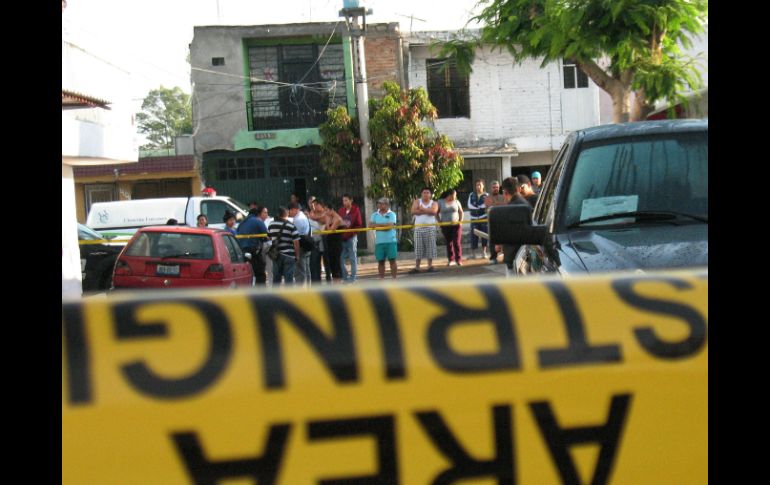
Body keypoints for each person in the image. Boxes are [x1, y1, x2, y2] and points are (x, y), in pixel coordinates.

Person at [496, 177, 531, 277]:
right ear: (518, 189)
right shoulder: (526, 204)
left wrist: (499, 243)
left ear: (505, 192)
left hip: (514, 258)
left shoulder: (509, 208)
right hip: (526, 255)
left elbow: (505, 234)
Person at [268, 206, 300, 286]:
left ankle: (276, 293)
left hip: (276, 255)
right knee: (289, 278)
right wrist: (297, 255)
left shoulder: (271, 224)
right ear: (287, 214)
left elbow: (269, 237)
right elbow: (296, 242)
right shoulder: (291, 226)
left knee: (276, 278)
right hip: (289, 255)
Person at [409, 187, 439, 274]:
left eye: (427, 192)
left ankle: (430, 266)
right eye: (424, 192)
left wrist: (422, 209)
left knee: (430, 247)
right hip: (418, 228)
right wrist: (427, 211)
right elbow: (413, 211)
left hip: (430, 228)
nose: (426, 194)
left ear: (430, 194)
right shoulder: (417, 201)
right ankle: (417, 267)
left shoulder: (434, 203)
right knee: (418, 248)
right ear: (421, 194)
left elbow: (434, 212)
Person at [237, 207, 269, 285]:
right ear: (258, 214)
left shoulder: (241, 223)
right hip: (254, 251)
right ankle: (260, 290)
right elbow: (266, 235)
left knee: (246, 274)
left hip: (242, 252)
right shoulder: (258, 221)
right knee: (260, 272)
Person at [370, 197, 398, 279]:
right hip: (379, 242)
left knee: (392, 260)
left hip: (391, 241)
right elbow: (370, 225)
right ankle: (381, 280)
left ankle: (394, 280)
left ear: (386, 204)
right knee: (380, 261)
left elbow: (389, 227)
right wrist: (384, 225)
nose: (379, 205)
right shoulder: (374, 215)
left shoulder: (392, 214)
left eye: (381, 203)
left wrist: (377, 225)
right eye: (378, 203)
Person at [338, 194, 363, 283]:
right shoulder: (341, 210)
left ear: (351, 200)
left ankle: (353, 278)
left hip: (351, 238)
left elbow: (359, 224)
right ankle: (345, 277)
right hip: (342, 238)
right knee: (341, 258)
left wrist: (352, 233)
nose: (344, 202)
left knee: (352, 258)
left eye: (346, 200)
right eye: (343, 200)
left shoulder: (356, 210)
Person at [318, 200, 344, 283]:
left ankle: (338, 282)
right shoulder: (329, 217)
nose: (325, 212)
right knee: (332, 263)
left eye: (326, 210)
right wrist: (327, 223)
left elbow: (330, 230)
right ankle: (335, 280)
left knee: (336, 264)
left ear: (331, 209)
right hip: (330, 243)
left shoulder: (337, 218)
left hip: (336, 244)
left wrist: (327, 224)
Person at [437, 189, 464, 266]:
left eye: (455, 195)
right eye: (453, 195)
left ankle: (459, 259)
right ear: (449, 195)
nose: (455, 197)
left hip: (456, 225)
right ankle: (451, 259)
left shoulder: (456, 201)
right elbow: (436, 213)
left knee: (457, 242)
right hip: (445, 225)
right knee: (449, 242)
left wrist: (460, 222)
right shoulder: (440, 202)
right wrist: (439, 222)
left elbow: (461, 212)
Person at [288, 202, 311, 286]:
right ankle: (308, 288)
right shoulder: (302, 216)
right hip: (307, 245)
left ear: (294, 209)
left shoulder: (298, 220)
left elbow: (296, 238)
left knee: (300, 270)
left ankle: (301, 289)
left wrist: (296, 252)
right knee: (306, 269)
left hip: (301, 246)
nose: (289, 213)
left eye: (290, 211)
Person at [484, 181, 505, 264]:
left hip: (503, 222)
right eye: (494, 187)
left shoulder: (503, 197)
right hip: (492, 223)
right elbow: (489, 209)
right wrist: (498, 205)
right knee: (493, 241)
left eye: (497, 187)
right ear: (491, 188)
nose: (495, 189)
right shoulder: (487, 198)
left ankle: (506, 257)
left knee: (505, 240)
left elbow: (505, 207)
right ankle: (493, 258)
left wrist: (496, 205)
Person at [467, 179, 489, 259]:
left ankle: (484, 252)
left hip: (483, 218)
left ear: (483, 186)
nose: (478, 187)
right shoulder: (471, 195)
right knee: (473, 236)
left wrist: (477, 206)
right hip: (474, 218)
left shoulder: (487, 195)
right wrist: (479, 207)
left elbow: (486, 205)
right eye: (477, 185)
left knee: (484, 235)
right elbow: (469, 205)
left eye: (480, 185)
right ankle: (473, 254)